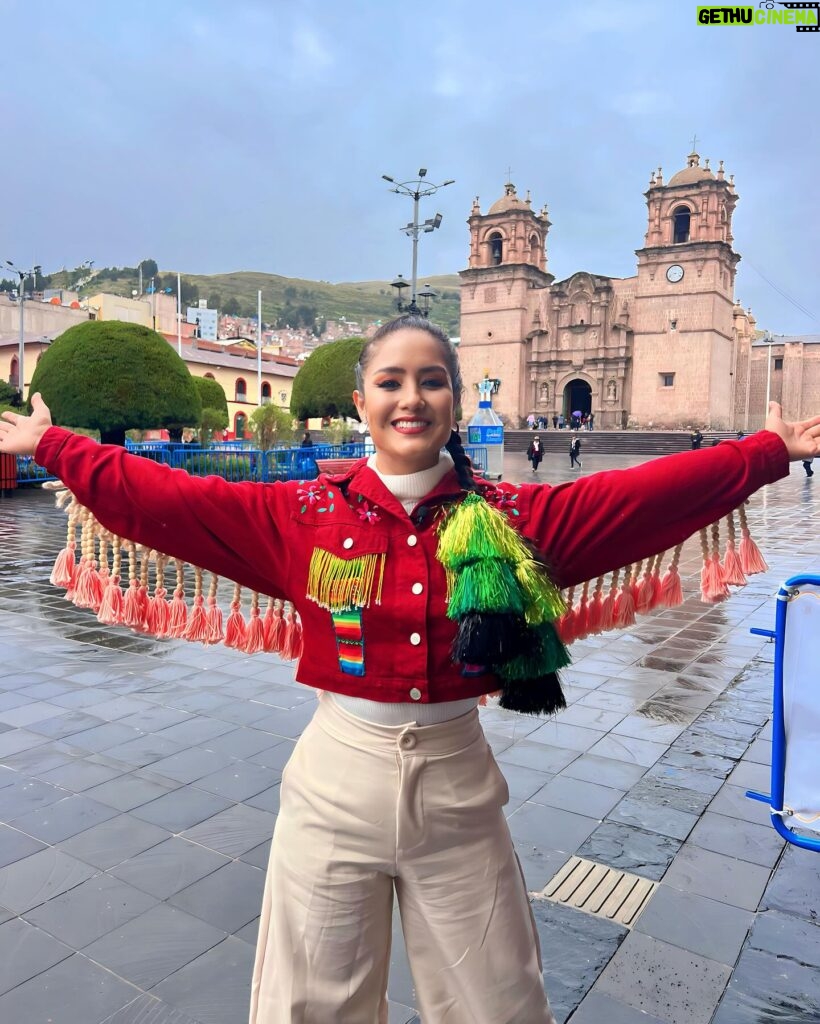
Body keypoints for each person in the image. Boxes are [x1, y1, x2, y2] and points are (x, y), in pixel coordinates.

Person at [2, 313, 818, 1024]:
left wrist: (765, 452)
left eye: (432, 381)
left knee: (499, 1003)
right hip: (333, 784)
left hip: (460, 790)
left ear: (454, 401)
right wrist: (53, 445)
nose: (411, 398)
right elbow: (168, 500)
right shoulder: (298, 515)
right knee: (307, 1006)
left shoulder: (515, 519)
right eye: (390, 381)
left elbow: (646, 496)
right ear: (361, 401)